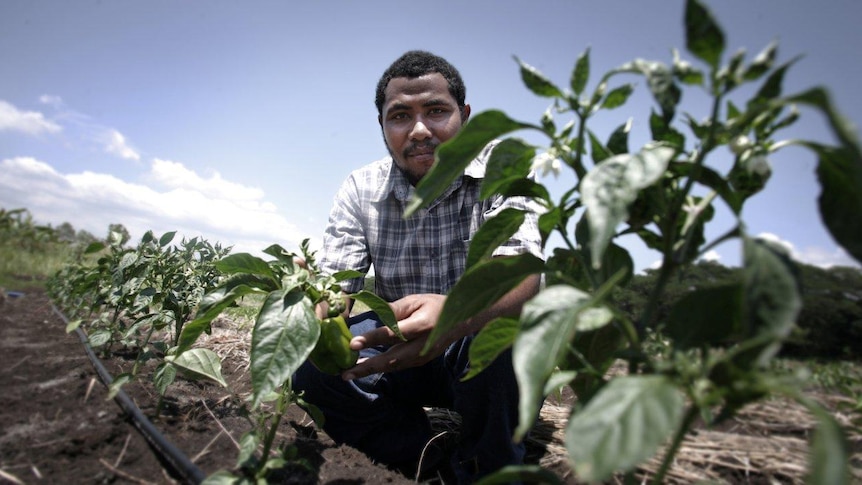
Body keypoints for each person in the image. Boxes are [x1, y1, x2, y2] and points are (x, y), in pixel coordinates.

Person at [292, 50, 543, 484]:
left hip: (477, 360)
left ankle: (488, 465)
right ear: (383, 127)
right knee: (312, 368)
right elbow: (339, 289)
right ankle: (418, 453)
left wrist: (456, 313)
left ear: (464, 116)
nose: (420, 130)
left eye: (437, 111)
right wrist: (313, 302)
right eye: (400, 116)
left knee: (506, 333)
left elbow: (523, 274)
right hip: (400, 354)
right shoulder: (361, 188)